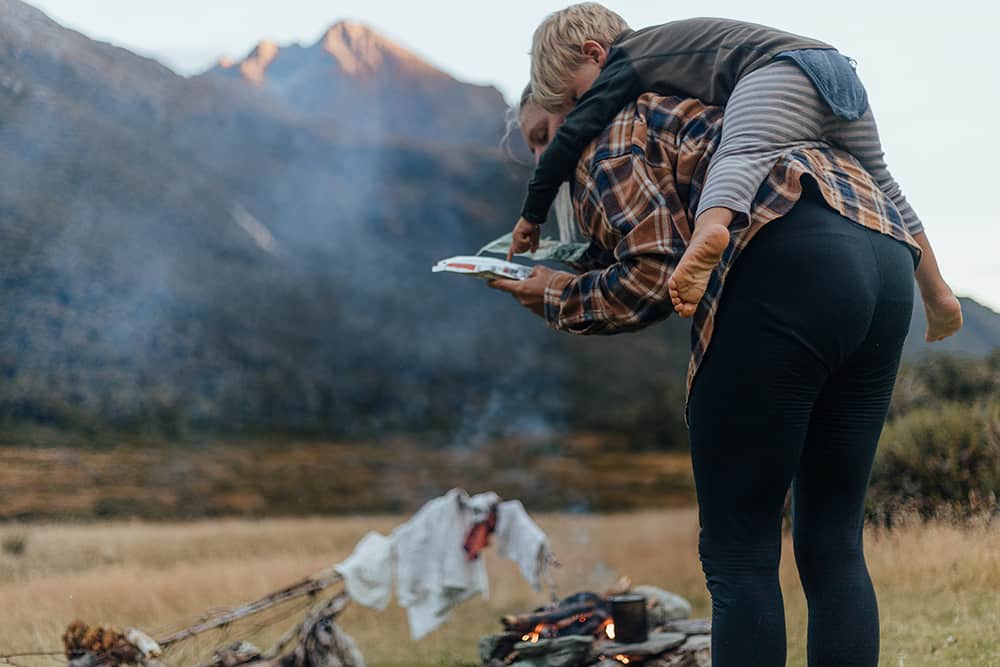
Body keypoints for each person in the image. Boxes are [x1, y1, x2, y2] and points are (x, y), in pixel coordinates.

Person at [492, 87, 917, 666]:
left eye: (545, 135)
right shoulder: (713, 109)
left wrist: (554, 293)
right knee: (832, 542)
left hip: (787, 258)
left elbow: (651, 276)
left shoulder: (611, 132)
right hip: (885, 252)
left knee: (739, 553)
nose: (545, 158)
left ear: (576, 100)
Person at [506, 3, 962, 342]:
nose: (584, 115)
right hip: (837, 72)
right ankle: (938, 296)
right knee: (885, 185)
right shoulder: (661, 57)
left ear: (595, 54)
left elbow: (577, 135)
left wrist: (531, 215)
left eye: (575, 100)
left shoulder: (626, 63)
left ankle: (711, 231)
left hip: (782, 71)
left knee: (740, 151)